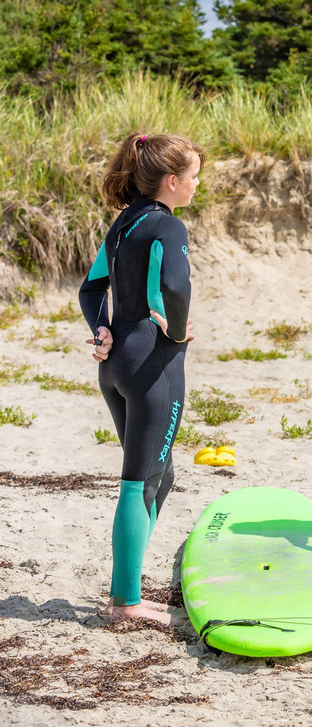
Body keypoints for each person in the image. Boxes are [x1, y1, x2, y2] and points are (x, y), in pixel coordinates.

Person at [79, 133, 202, 625]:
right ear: (172, 181)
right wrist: (175, 329)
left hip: (116, 368)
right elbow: (175, 285)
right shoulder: (168, 228)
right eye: (193, 176)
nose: (197, 184)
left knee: (161, 474)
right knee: (138, 482)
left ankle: (126, 581)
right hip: (154, 365)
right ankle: (126, 601)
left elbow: (91, 289)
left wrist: (102, 328)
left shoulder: (124, 223)